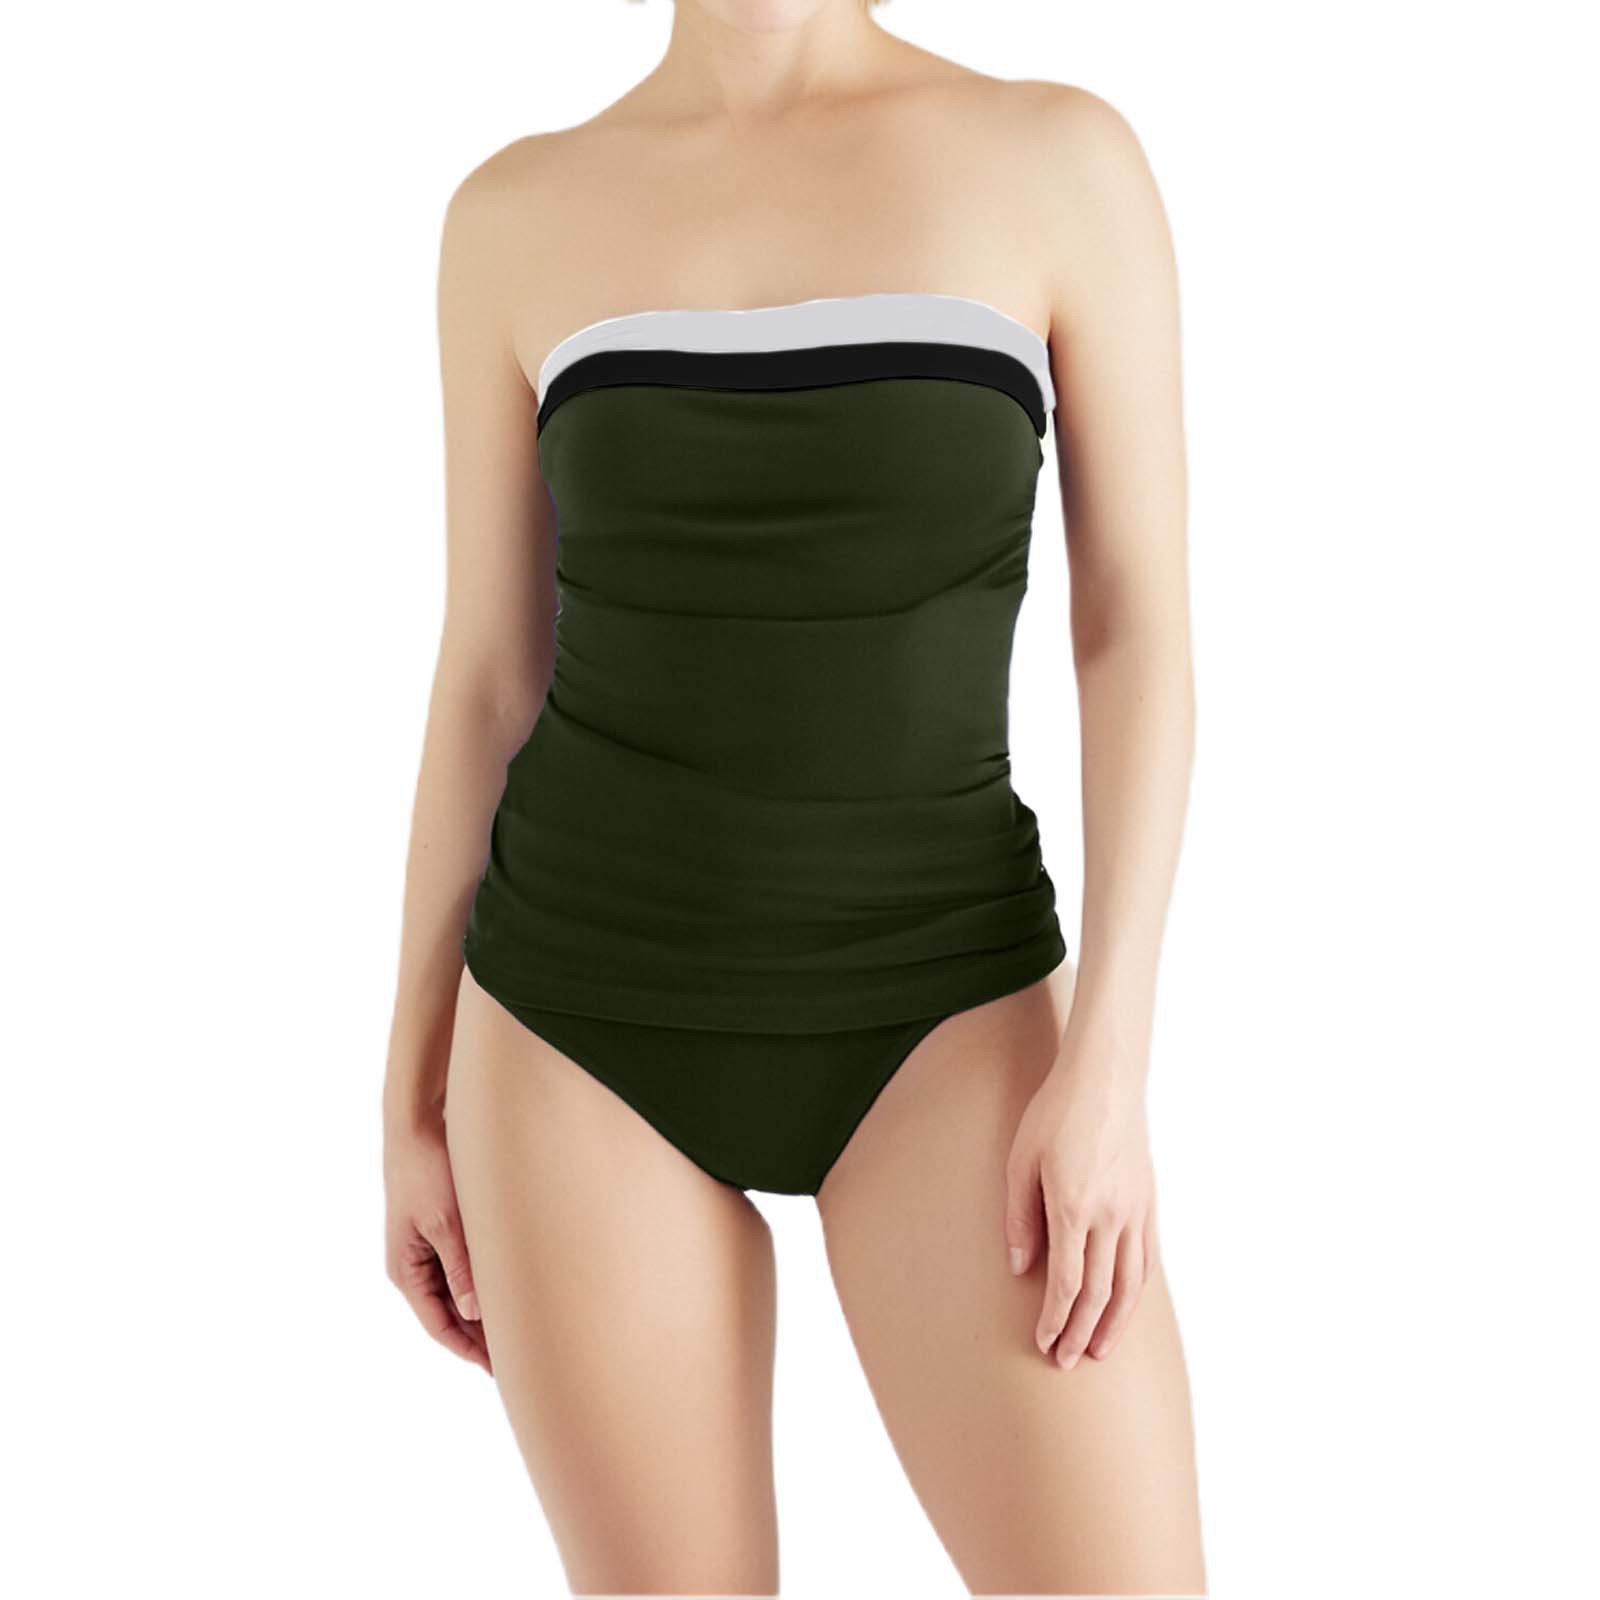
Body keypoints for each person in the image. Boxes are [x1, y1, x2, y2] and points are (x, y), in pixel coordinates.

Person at [382, 1, 1204, 1592]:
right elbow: (490, 671)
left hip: (945, 997)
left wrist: (1111, 1066)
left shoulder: (1057, 159)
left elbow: (1136, 633)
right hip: (576, 1023)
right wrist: (407, 1090)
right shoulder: (514, 211)